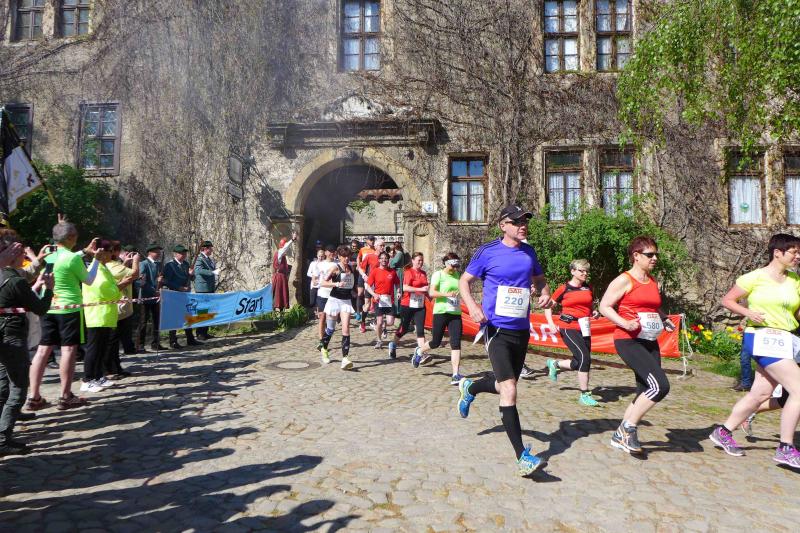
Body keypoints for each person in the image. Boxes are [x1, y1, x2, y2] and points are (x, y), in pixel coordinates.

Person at [456, 205, 552, 476]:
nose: (523, 225)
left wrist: (545, 294)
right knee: (509, 389)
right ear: (503, 225)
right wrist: (473, 307)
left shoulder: (529, 252)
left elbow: (540, 280)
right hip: (495, 328)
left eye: (525, 221)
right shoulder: (487, 251)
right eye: (517, 221)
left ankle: (471, 387)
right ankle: (522, 456)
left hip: (521, 328)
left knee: (504, 385)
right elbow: (464, 281)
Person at [708, 233, 800, 469]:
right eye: (794, 252)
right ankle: (786, 447)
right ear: (777, 253)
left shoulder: (794, 280)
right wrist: (748, 313)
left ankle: (723, 431)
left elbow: (795, 312)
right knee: (798, 389)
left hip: (786, 339)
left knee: (760, 393)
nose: (798, 257)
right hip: (761, 337)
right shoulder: (754, 277)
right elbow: (728, 300)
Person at [599, 236, 676, 455]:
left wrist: (664, 318)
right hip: (628, 340)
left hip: (649, 340)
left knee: (644, 390)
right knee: (660, 386)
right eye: (650, 255)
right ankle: (628, 428)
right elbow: (605, 306)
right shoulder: (624, 280)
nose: (655, 258)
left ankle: (620, 436)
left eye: (656, 254)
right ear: (636, 256)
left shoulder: (652, 280)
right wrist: (624, 323)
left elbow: (651, 306)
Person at [27, 222, 101, 411]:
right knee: (68, 350)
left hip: (48, 306)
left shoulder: (49, 255)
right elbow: (89, 280)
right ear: (70, 238)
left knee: (42, 351)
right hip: (69, 308)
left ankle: (34, 397)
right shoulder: (72, 258)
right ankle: (65, 396)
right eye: (75, 235)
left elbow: (66, 258)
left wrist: (84, 252)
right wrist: (97, 260)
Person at [0, 230, 54, 455]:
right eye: (20, 251)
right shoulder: (15, 281)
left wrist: (36, 284)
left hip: (3, 337)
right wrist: (49, 289)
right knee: (18, 389)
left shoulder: (7, 278)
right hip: (12, 337)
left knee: (3, 385)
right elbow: (40, 308)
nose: (22, 254)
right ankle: (3, 438)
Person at [544, 259, 600, 407]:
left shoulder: (588, 287)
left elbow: (589, 306)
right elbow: (548, 306)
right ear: (573, 271)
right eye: (582, 270)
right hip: (568, 326)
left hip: (584, 327)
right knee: (584, 358)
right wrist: (550, 323)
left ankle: (555, 364)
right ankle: (584, 394)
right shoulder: (564, 288)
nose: (585, 273)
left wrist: (594, 312)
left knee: (578, 362)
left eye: (587, 271)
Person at [80, 239, 121, 393]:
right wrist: (117, 292)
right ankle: (87, 379)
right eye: (110, 251)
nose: (112, 254)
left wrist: (115, 290)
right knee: (94, 349)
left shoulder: (103, 268)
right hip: (97, 315)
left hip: (105, 315)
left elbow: (111, 287)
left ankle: (98, 376)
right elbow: (103, 290)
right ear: (101, 253)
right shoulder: (95, 268)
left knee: (102, 348)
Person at [420, 252, 464, 384]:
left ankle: (455, 374)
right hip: (441, 312)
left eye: (457, 266)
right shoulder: (438, 274)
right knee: (436, 342)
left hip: (455, 313)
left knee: (456, 343)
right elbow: (431, 292)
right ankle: (419, 351)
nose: (455, 268)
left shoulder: (458, 275)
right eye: (453, 266)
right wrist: (447, 294)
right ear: (446, 264)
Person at [320, 245, 357, 369]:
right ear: (339, 257)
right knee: (330, 329)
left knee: (346, 329)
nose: (346, 259)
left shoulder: (351, 268)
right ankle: (324, 349)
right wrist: (336, 284)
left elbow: (351, 283)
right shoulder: (335, 268)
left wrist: (354, 291)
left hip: (346, 301)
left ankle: (345, 359)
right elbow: (323, 282)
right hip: (334, 301)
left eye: (348, 256)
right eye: (344, 257)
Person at [105, 242, 140, 377]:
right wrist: (135, 261)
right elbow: (135, 274)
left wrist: (125, 263)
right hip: (118, 308)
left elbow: (121, 276)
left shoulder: (115, 265)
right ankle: (110, 368)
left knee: (114, 340)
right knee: (113, 341)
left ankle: (115, 366)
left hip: (120, 307)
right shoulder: (112, 265)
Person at [388, 252, 429, 365]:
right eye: (418, 260)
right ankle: (393, 344)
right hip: (407, 305)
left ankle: (422, 353)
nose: (420, 262)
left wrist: (431, 297)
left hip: (420, 305)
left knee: (420, 329)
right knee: (404, 328)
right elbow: (405, 288)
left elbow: (425, 289)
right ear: (413, 261)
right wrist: (420, 290)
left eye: (422, 260)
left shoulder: (423, 273)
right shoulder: (408, 272)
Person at [163, 244, 201, 349]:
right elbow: (166, 281)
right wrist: (179, 287)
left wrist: (191, 274)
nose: (184, 255)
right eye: (181, 253)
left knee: (188, 316)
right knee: (174, 318)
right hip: (174, 294)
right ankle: (173, 341)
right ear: (175, 254)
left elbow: (192, 278)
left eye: (184, 253)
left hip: (185, 295)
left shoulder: (186, 264)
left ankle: (190, 339)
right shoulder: (170, 265)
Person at [365, 250, 400, 350]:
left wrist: (398, 292)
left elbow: (397, 283)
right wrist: (374, 294)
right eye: (382, 258)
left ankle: (383, 326)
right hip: (378, 300)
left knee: (390, 322)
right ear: (379, 260)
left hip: (389, 300)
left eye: (386, 258)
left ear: (389, 260)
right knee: (379, 322)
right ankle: (379, 340)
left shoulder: (392, 272)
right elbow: (368, 286)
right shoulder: (375, 271)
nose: (384, 260)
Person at [138, 243, 166, 350]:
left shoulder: (159, 265)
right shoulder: (143, 264)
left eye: (159, 252)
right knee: (143, 322)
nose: (158, 253)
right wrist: (154, 291)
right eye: (156, 252)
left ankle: (156, 343)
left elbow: (162, 279)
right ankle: (140, 345)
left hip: (156, 298)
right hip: (146, 297)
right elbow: (142, 282)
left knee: (157, 321)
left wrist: (161, 282)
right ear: (150, 252)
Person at [359, 238, 385, 335]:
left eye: (384, 245)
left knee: (380, 304)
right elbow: (360, 268)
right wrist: (364, 275)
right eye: (381, 245)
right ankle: (362, 322)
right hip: (370, 284)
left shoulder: (385, 258)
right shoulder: (369, 256)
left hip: (380, 285)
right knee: (367, 305)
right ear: (376, 246)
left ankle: (376, 322)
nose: (383, 247)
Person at [194, 240, 218, 340]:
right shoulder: (199, 258)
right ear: (205, 249)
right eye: (210, 248)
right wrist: (212, 272)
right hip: (202, 289)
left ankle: (205, 332)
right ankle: (200, 333)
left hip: (209, 288)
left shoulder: (208, 259)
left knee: (208, 310)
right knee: (202, 311)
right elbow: (198, 270)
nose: (211, 250)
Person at [315, 245, 336, 359]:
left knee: (331, 320)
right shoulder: (320, 264)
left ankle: (325, 339)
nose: (333, 253)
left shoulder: (337, 264)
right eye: (331, 251)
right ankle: (321, 340)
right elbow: (315, 277)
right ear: (326, 252)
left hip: (333, 295)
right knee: (322, 317)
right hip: (322, 293)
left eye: (334, 251)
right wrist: (316, 282)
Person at [356, 236, 377, 333]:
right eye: (371, 240)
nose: (372, 241)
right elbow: (359, 258)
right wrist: (359, 267)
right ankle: (360, 314)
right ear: (367, 241)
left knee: (378, 303)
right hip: (365, 275)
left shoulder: (378, 252)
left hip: (376, 280)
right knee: (360, 294)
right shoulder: (363, 249)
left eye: (373, 240)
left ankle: (375, 322)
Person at [272, 233, 296, 312]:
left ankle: (281, 312)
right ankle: (275, 311)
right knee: (278, 293)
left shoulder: (281, 255)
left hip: (280, 276)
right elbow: (285, 247)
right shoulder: (280, 252)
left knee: (282, 293)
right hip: (279, 276)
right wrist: (292, 240)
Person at [389, 242, 408, 315]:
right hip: (397, 271)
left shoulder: (399, 253)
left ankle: (397, 310)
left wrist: (391, 259)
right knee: (396, 289)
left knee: (397, 290)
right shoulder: (399, 253)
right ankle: (397, 309)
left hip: (398, 272)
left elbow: (393, 263)